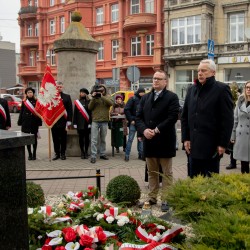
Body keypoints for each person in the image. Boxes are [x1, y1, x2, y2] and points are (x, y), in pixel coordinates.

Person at [181, 59, 234, 178]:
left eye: (204, 70)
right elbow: (185, 116)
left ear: (213, 72)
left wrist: (222, 144)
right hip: (193, 146)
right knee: (194, 182)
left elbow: (227, 120)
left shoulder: (222, 89)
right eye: (198, 70)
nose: (200, 73)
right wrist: (185, 138)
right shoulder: (192, 89)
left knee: (210, 184)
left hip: (211, 147)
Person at [136, 70, 179, 212]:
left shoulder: (172, 97)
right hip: (149, 141)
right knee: (152, 171)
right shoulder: (145, 98)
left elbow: (172, 117)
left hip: (164, 140)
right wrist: (144, 130)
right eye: (154, 78)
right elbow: (138, 117)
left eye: (159, 79)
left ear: (165, 82)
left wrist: (156, 130)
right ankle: (152, 197)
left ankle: (167, 198)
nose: (155, 81)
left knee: (166, 173)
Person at [88, 84, 113, 164]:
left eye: (102, 90)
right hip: (95, 121)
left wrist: (102, 96)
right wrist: (93, 98)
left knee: (103, 139)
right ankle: (93, 156)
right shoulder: (94, 98)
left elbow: (111, 103)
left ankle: (102, 154)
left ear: (105, 90)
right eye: (99, 91)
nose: (100, 92)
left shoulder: (107, 96)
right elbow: (89, 108)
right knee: (94, 140)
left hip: (104, 121)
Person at [230, 81, 250, 174]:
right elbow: (235, 120)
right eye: (247, 87)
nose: (249, 89)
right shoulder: (240, 101)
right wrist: (233, 136)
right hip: (241, 135)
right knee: (243, 162)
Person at [17, 87, 42, 160]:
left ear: (33, 93)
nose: (30, 93)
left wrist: (39, 122)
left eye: (31, 92)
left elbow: (39, 112)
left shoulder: (37, 101)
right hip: (26, 122)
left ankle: (34, 154)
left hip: (34, 122)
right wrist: (20, 121)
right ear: (26, 94)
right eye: (28, 92)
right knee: (27, 139)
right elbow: (21, 112)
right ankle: (29, 154)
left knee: (34, 139)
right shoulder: (24, 102)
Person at [51, 81, 73, 160]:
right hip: (54, 122)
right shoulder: (52, 97)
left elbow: (70, 110)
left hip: (63, 121)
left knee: (63, 138)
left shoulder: (67, 97)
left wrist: (69, 120)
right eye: (58, 87)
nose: (59, 88)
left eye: (60, 87)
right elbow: (49, 109)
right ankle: (57, 153)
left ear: (62, 87)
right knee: (55, 139)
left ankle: (63, 153)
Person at [124, 87, 145, 161]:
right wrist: (131, 119)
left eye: (143, 92)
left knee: (141, 139)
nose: (143, 93)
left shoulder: (144, 99)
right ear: (139, 92)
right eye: (142, 92)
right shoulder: (132, 99)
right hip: (133, 122)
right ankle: (127, 155)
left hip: (140, 123)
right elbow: (126, 109)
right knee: (130, 139)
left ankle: (141, 154)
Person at [73, 88, 91, 159]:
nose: (82, 94)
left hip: (87, 123)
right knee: (81, 139)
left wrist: (90, 122)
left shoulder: (89, 102)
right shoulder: (78, 102)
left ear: (86, 94)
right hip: (79, 123)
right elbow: (75, 113)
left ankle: (86, 152)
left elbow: (91, 113)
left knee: (87, 139)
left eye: (83, 93)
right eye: (81, 92)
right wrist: (75, 122)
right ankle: (82, 152)